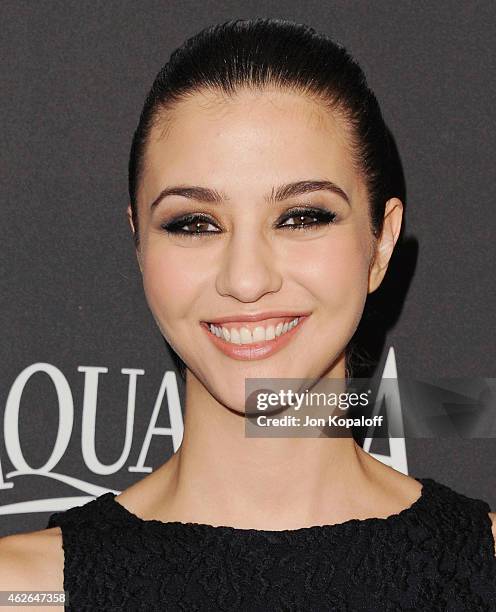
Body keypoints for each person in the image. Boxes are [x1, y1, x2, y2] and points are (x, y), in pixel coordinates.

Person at [1, 17, 495, 611]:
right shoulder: (24, 592)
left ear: (381, 243)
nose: (246, 279)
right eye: (193, 224)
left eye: (302, 217)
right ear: (139, 243)